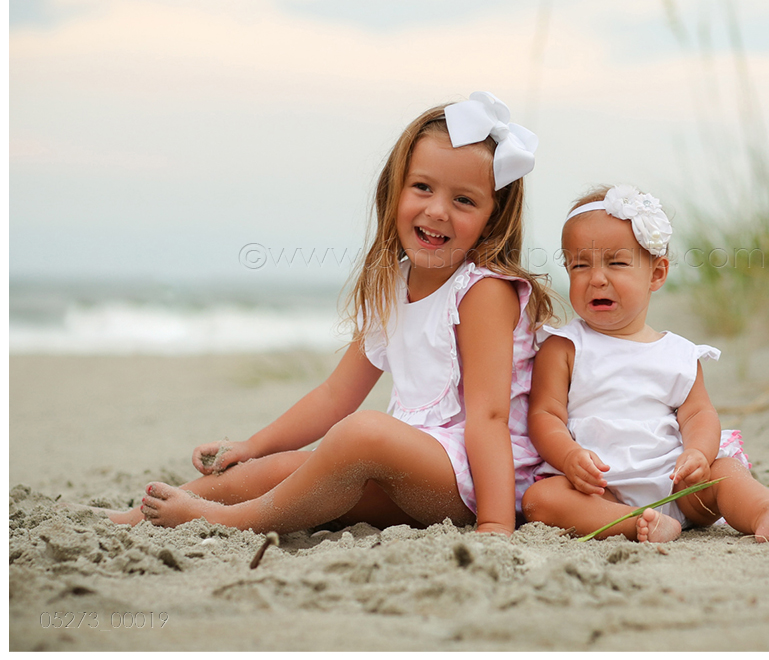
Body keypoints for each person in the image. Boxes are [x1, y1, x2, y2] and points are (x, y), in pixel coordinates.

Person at [106, 91, 553, 536]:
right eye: (422, 188)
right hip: (412, 473)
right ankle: (136, 517)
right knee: (277, 468)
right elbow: (334, 395)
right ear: (394, 190)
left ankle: (228, 521)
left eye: (464, 201)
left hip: (476, 482)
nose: (437, 211)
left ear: (493, 220)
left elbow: (490, 417)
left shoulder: (484, 292)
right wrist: (252, 445)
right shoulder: (394, 285)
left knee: (361, 433)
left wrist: (495, 521)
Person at [522, 185, 769, 543]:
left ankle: (765, 511)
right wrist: (569, 456)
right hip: (601, 488)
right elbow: (545, 415)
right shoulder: (565, 346)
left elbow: (699, 415)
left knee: (724, 471)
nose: (596, 278)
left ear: (657, 274)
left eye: (616, 262)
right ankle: (634, 523)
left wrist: (698, 452)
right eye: (579, 265)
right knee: (540, 499)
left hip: (677, 483)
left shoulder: (678, 353)